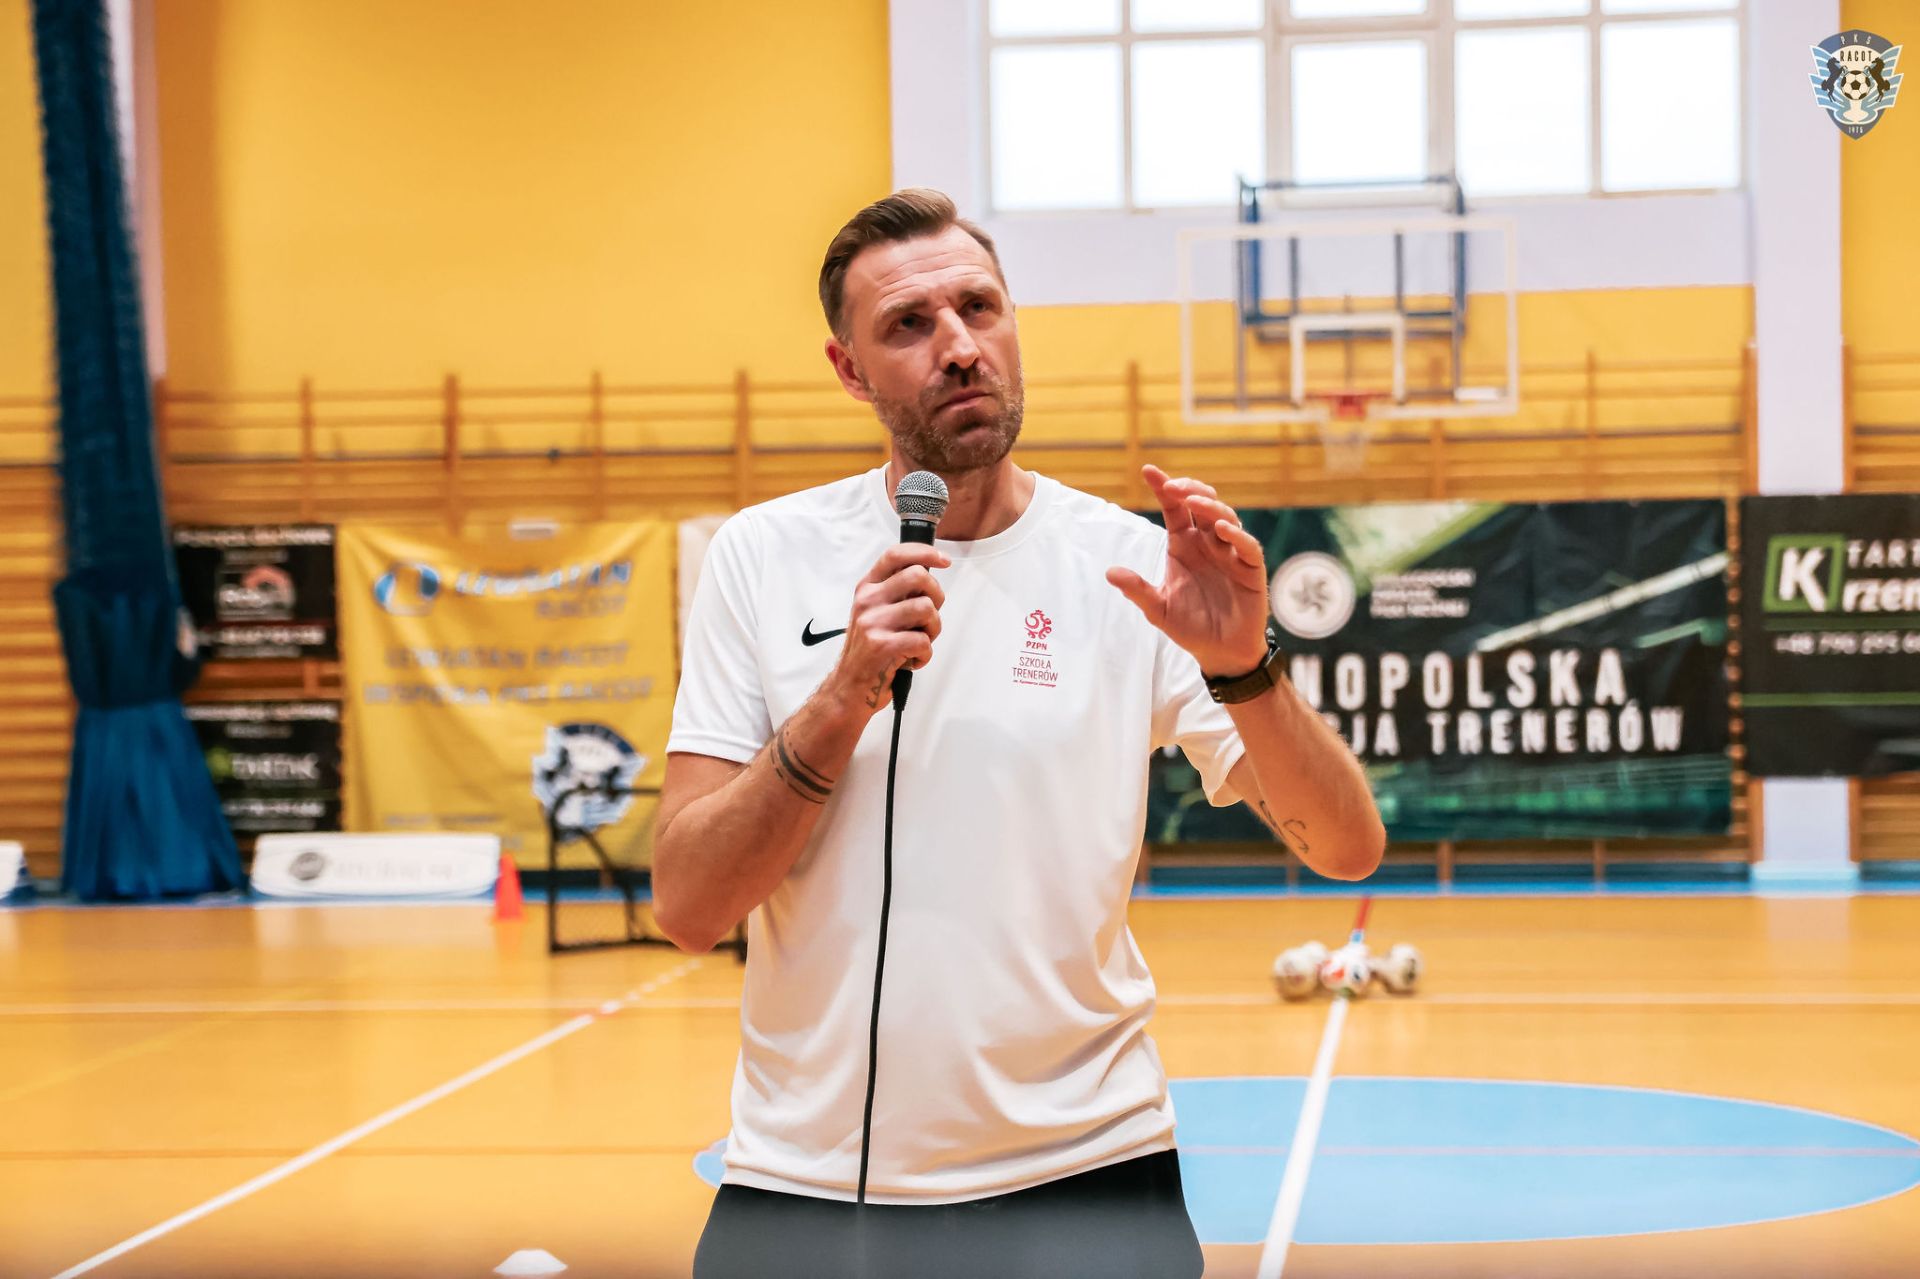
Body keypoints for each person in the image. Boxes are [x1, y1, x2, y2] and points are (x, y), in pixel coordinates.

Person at [655, 188, 1384, 1278]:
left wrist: (1247, 667)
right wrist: (842, 695)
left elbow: (1347, 848)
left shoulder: (1126, 567)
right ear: (849, 369)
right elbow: (687, 905)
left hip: (1091, 1176)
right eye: (909, 324)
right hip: (805, 1184)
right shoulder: (763, 556)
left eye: (978, 308)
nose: (958, 346)